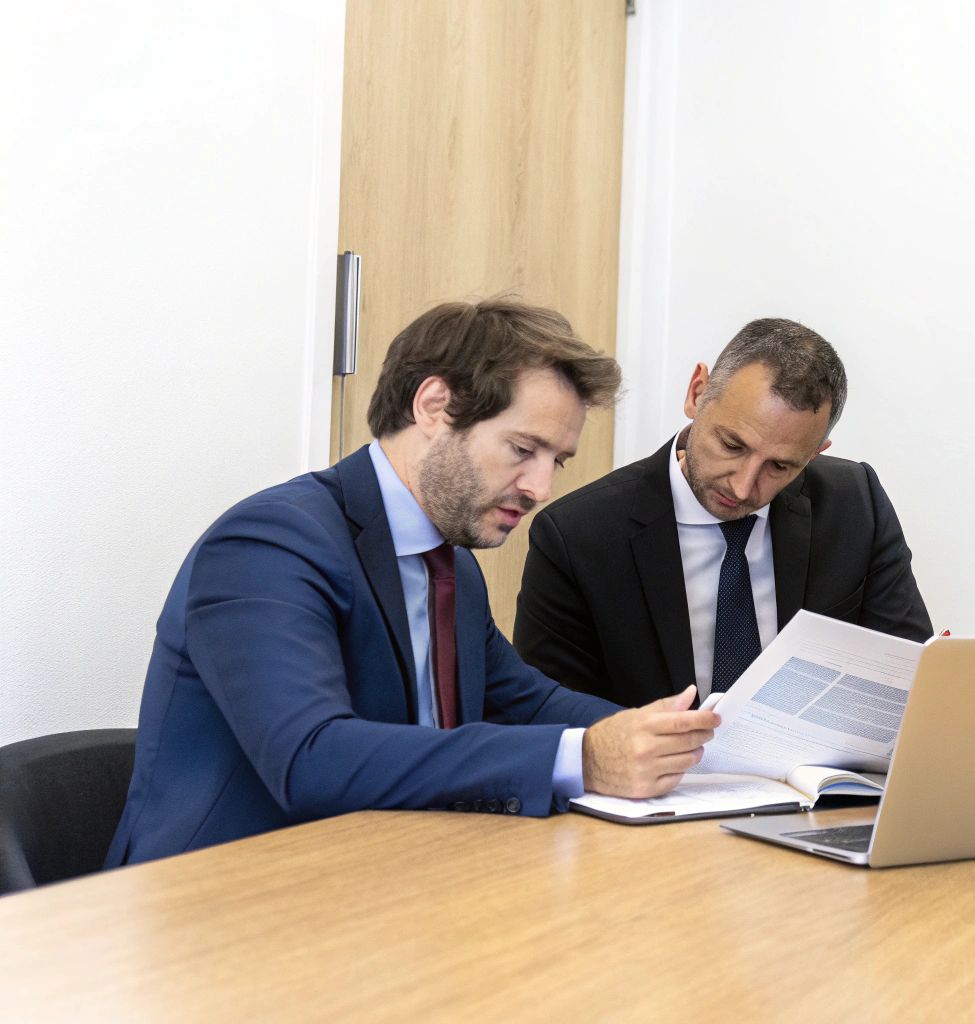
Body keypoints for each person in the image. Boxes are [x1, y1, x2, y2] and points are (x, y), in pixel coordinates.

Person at [106, 298, 719, 867]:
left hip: (388, 878)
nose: (540, 489)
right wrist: (584, 759)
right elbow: (311, 758)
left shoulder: (451, 567)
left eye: (554, 462)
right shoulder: (271, 541)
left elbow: (526, 703)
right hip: (224, 903)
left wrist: (674, 739)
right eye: (522, 448)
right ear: (433, 406)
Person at [515, 318, 932, 708]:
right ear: (697, 393)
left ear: (815, 454)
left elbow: (908, 679)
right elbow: (550, 716)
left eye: (780, 466)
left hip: (816, 783)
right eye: (732, 445)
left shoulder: (855, 504)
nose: (743, 486)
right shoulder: (577, 536)